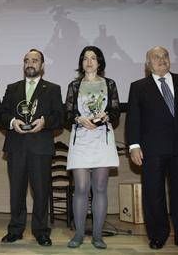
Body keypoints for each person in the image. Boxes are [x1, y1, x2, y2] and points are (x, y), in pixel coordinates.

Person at [125, 46, 178, 252]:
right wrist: (134, 146)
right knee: (154, 194)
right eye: (156, 57)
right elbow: (133, 119)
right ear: (147, 64)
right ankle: (158, 235)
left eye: (165, 56)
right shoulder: (138, 86)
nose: (162, 60)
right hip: (152, 148)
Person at [0, 49, 63, 247]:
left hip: (40, 148)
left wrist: (45, 122)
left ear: (42, 65)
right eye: (27, 60)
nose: (30, 63)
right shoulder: (12, 88)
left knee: (41, 192)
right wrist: (11, 122)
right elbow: (1, 114)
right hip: (16, 146)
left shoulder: (52, 89)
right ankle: (15, 230)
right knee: (16, 191)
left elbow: (60, 117)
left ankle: (41, 231)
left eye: (35, 60)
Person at [65, 46, 120, 249]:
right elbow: (67, 114)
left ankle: (97, 235)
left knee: (99, 188)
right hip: (80, 138)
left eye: (93, 58)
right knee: (80, 188)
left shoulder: (110, 84)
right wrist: (78, 118)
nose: (89, 62)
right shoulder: (74, 85)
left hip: (101, 139)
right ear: (81, 62)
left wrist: (106, 116)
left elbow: (116, 113)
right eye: (85, 58)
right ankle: (78, 234)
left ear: (100, 62)